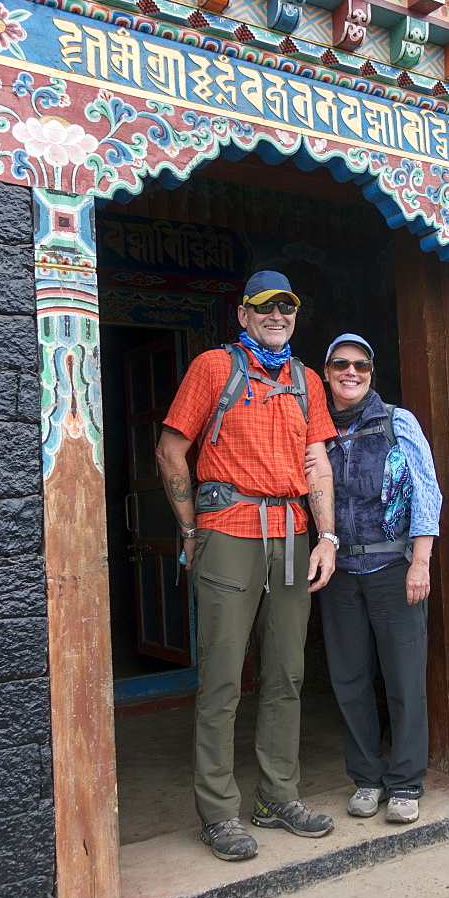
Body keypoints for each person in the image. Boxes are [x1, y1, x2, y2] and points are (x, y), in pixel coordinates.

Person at [156, 271, 339, 862]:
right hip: (228, 533)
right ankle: (218, 812)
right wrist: (189, 530)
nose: (277, 316)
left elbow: (316, 465)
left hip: (290, 538)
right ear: (244, 314)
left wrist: (327, 536)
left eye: (286, 307)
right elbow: (170, 448)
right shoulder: (214, 367)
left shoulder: (308, 381)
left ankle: (277, 796)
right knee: (222, 676)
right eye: (264, 308)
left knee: (286, 669)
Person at [317, 333, 442, 825]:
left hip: (395, 567)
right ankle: (366, 779)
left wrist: (421, 562)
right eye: (341, 364)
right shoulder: (317, 427)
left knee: (404, 678)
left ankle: (406, 782)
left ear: (371, 372)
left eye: (361, 366)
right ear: (326, 371)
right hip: (340, 570)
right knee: (349, 679)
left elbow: (426, 491)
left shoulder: (396, 421)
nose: (352, 373)